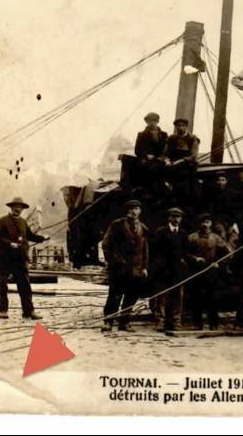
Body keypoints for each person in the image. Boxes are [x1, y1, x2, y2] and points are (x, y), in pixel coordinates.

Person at [0, 197, 49, 320]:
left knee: (25, 285)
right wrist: (9, 244)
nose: (17, 209)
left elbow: (30, 235)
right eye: (15, 207)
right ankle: (2, 311)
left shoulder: (23, 222)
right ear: (11, 207)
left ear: (22, 209)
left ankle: (28, 311)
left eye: (20, 207)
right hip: (5, 258)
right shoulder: (2, 221)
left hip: (20, 258)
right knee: (2, 284)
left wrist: (43, 238)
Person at [101, 199, 149, 332]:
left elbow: (145, 249)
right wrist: (114, 261)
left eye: (137, 209)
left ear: (140, 211)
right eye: (131, 209)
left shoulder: (143, 228)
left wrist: (144, 267)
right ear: (127, 211)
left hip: (136, 269)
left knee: (131, 297)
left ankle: (125, 322)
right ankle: (108, 322)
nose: (134, 212)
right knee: (115, 296)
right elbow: (106, 245)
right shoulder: (117, 225)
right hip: (119, 269)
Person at [185, 213, 231, 331]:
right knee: (196, 298)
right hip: (196, 272)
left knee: (213, 298)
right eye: (203, 222)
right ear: (199, 223)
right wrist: (195, 259)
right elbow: (185, 254)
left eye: (208, 222)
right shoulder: (192, 237)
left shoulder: (216, 238)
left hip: (212, 272)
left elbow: (229, 252)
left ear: (211, 224)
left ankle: (213, 323)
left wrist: (219, 263)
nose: (205, 225)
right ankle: (197, 323)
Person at [150, 207, 188, 332]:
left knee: (178, 296)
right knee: (162, 297)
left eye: (179, 217)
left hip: (178, 271)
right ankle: (161, 321)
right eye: (174, 216)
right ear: (169, 218)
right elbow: (154, 250)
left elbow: (185, 252)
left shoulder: (183, 234)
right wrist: (158, 265)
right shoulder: (161, 232)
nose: (176, 219)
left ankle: (176, 321)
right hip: (163, 270)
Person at [205, 171, 242, 245]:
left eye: (223, 180)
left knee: (233, 237)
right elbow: (212, 210)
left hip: (231, 221)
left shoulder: (233, 194)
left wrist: (231, 225)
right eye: (218, 180)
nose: (220, 182)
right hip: (218, 221)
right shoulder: (212, 195)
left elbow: (235, 211)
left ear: (226, 181)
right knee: (222, 235)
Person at [134, 112, 168, 189]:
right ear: (146, 122)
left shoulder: (164, 134)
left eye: (154, 120)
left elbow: (167, 149)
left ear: (157, 121)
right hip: (147, 160)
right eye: (149, 121)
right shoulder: (141, 135)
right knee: (149, 169)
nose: (152, 123)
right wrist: (146, 155)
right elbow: (137, 150)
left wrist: (163, 157)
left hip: (160, 159)